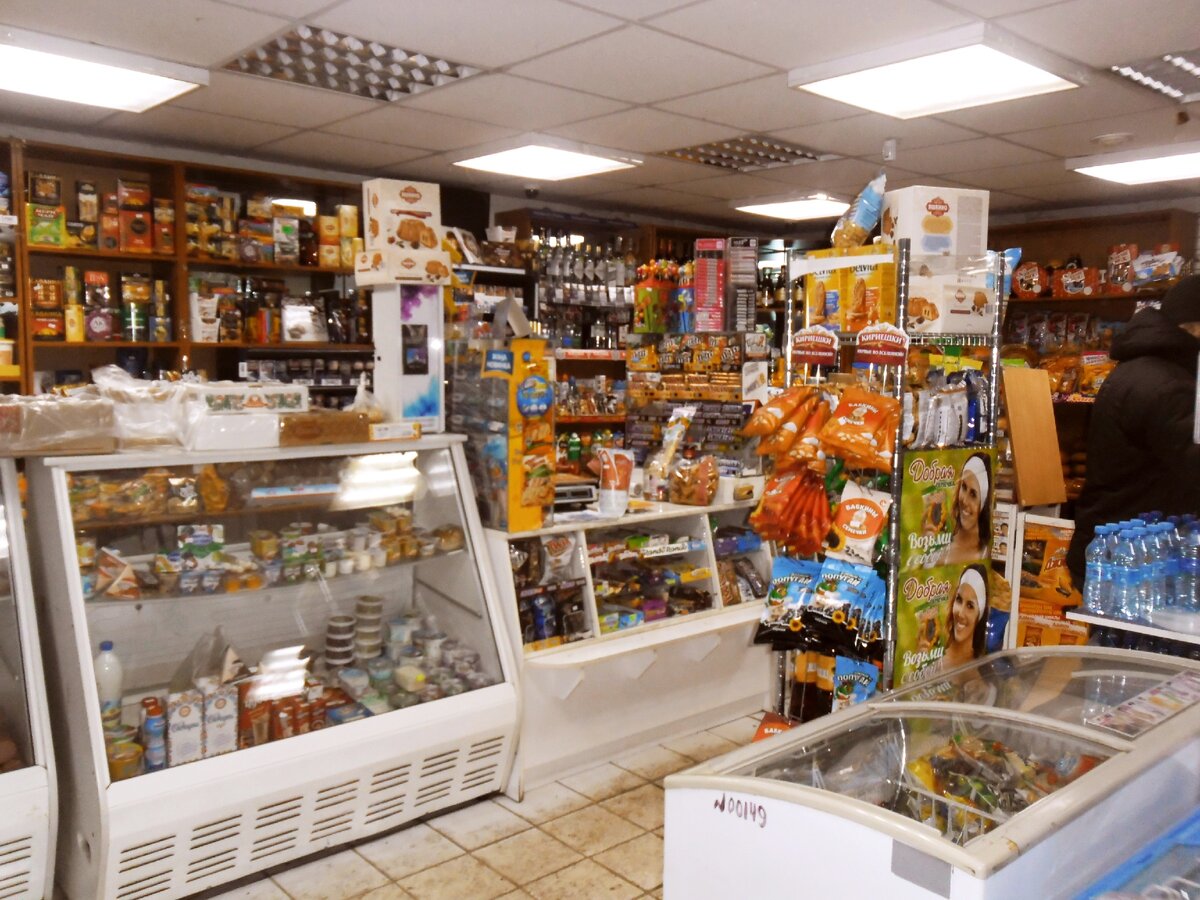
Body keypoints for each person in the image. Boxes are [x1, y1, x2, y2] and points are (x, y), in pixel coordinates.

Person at [1067, 275, 1200, 582]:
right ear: (1193, 327)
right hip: (1135, 562)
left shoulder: (1143, 369)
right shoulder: (1168, 386)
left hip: (1118, 547)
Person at [936, 452, 992, 566]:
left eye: (973, 494)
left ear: (983, 504)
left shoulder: (986, 553)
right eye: (964, 487)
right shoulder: (941, 546)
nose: (965, 501)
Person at [938, 564, 990, 672]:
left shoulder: (984, 669)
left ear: (979, 615)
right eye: (959, 600)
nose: (961, 614)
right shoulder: (933, 662)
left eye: (970, 606)